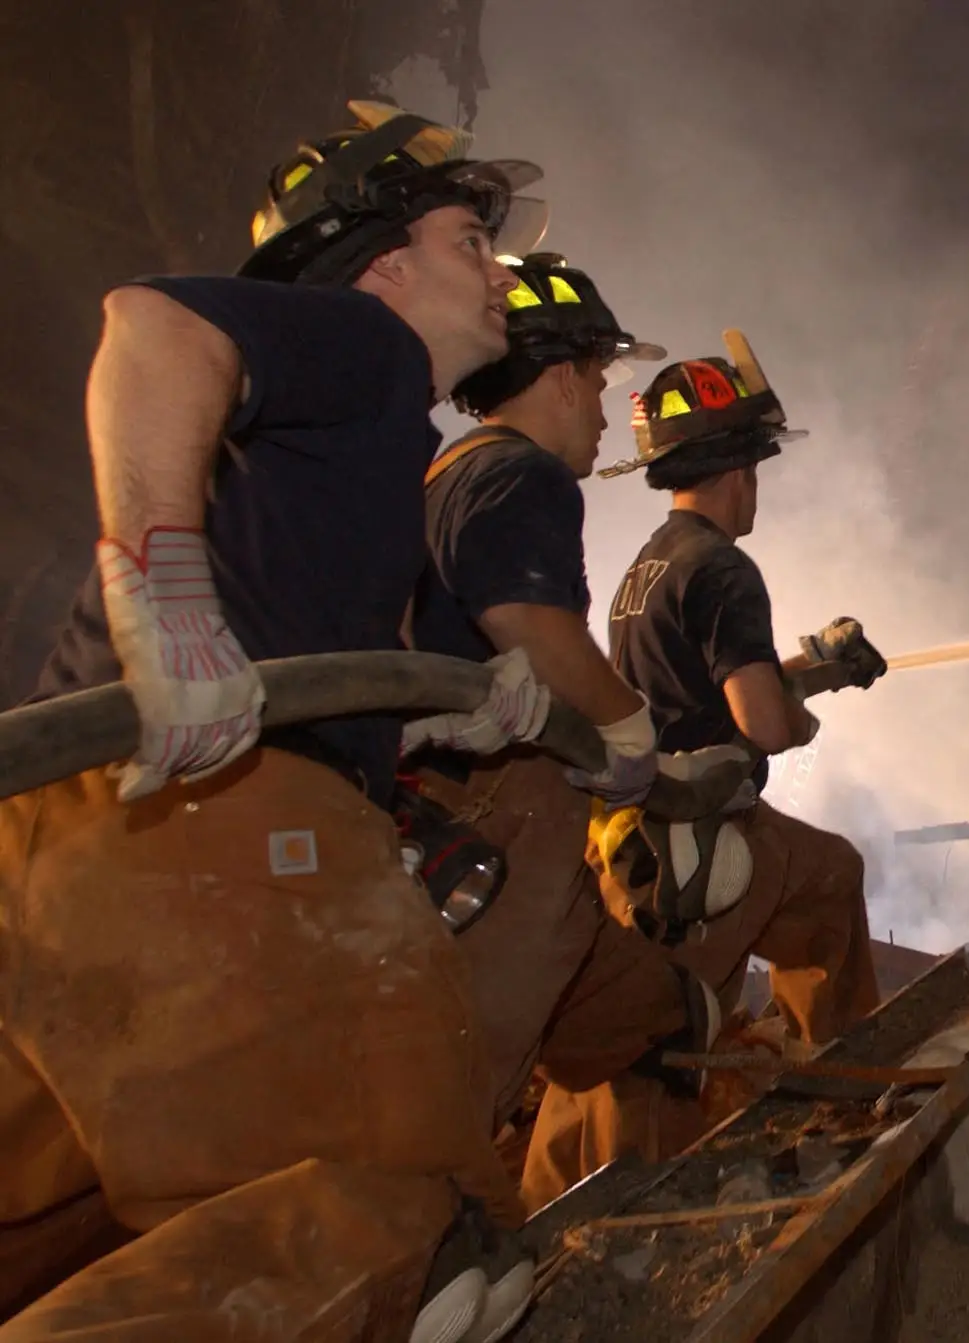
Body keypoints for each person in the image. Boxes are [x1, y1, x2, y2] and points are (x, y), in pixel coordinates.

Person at [0, 101, 550, 1343]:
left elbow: (297, 638)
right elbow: (150, 325)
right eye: (472, 237)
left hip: (70, 838)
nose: (498, 269)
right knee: (404, 1216)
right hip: (206, 818)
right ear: (385, 262)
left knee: (56, 1233)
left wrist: (444, 711)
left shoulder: (360, 448)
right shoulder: (363, 342)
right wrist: (163, 594)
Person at [519, 340, 886, 1205]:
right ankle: (833, 1099)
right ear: (742, 469)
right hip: (701, 840)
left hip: (632, 836)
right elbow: (760, 720)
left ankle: (543, 1194)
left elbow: (692, 688)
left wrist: (816, 664)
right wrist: (800, 714)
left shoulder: (646, 566)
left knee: (617, 1017)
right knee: (664, 1032)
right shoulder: (726, 568)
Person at [405, 253, 734, 1189]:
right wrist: (629, 732)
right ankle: (442, 1239)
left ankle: (608, 1215)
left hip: (469, 812)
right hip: (505, 819)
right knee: (479, 1064)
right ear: (557, 377)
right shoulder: (525, 477)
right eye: (595, 381)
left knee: (649, 1021)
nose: (600, 408)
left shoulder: (448, 469)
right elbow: (532, 622)